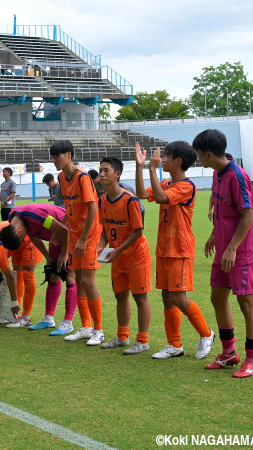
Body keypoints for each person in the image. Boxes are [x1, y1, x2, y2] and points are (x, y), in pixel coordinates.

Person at [134, 141, 215, 360]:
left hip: (180, 249)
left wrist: (151, 168)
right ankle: (174, 344)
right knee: (167, 297)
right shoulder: (167, 182)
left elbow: (160, 198)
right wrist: (140, 166)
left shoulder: (186, 186)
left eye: (167, 156)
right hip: (164, 248)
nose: (162, 160)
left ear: (178, 161)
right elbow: (142, 193)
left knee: (179, 297)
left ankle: (207, 333)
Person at [192, 130, 253, 378]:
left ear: (209, 154)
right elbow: (224, 211)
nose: (198, 159)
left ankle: (252, 359)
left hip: (241, 253)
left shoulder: (237, 176)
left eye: (199, 155)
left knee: (246, 304)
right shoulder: (216, 174)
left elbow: (247, 215)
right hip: (224, 250)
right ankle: (229, 353)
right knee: (217, 298)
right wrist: (214, 235)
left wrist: (232, 247)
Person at [50, 140, 104, 346]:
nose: (55, 160)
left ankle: (98, 331)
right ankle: (86, 327)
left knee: (88, 282)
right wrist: (61, 227)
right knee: (79, 281)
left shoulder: (83, 177)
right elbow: (69, 206)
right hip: (74, 236)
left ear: (69, 155)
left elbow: (93, 209)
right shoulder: (62, 177)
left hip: (87, 238)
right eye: (53, 157)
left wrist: (83, 239)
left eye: (58, 156)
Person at [97, 157, 152, 355]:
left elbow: (138, 231)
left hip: (136, 256)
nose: (101, 174)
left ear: (117, 174)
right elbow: (105, 228)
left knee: (140, 297)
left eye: (106, 170)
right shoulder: (102, 200)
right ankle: (122, 337)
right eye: (100, 170)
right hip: (117, 258)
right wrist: (101, 247)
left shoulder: (130, 200)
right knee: (120, 296)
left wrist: (117, 250)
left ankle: (143, 341)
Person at [0, 203, 76, 336]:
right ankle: (48, 318)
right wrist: (48, 256)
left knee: (68, 274)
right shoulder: (13, 219)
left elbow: (64, 230)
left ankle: (68, 322)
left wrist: (64, 254)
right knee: (52, 273)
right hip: (55, 237)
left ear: (18, 232)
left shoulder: (37, 216)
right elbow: (33, 236)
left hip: (70, 232)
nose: (24, 239)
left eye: (21, 238)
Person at [207, 152, 234, 222]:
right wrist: (210, 209)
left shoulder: (234, 177)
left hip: (229, 216)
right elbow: (213, 194)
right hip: (217, 215)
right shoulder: (216, 176)